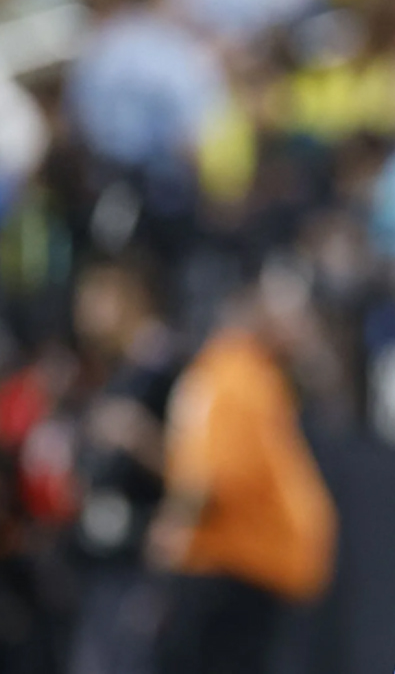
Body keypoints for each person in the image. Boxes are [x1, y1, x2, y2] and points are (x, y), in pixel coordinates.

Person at [148, 255, 337, 674]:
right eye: (290, 311)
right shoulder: (233, 376)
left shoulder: (252, 375)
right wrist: (174, 535)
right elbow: (208, 476)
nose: (302, 325)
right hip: (232, 575)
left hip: (251, 576)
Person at [68, 255, 184, 674]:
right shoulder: (115, 369)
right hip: (104, 558)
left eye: (99, 295)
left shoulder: (169, 367)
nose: (85, 308)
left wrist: (139, 437)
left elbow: (198, 471)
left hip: (145, 560)